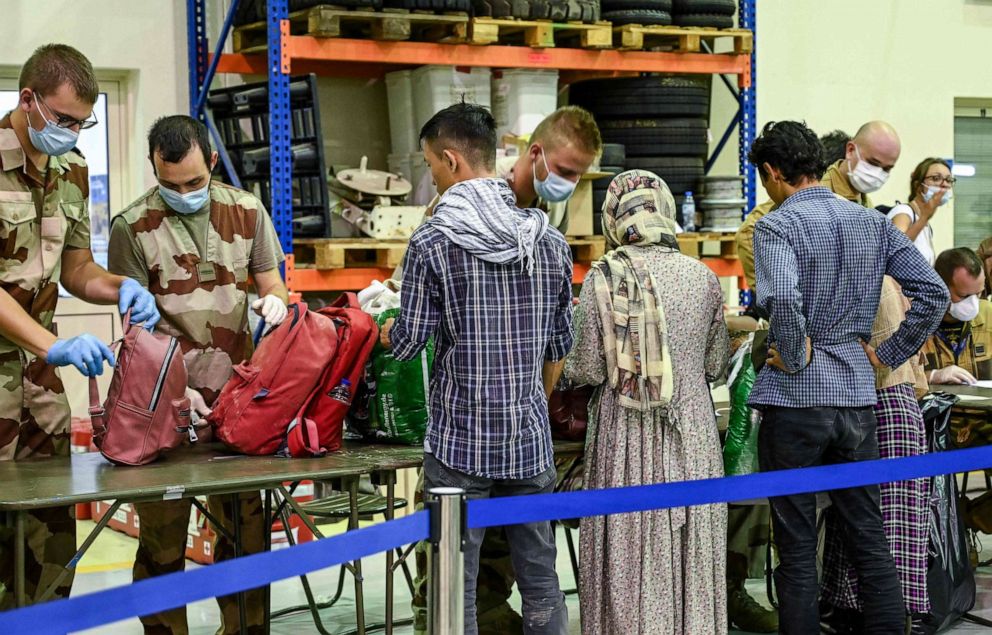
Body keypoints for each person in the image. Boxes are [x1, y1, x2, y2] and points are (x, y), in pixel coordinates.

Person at [401, 105, 600, 635]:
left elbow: (409, 341)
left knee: (455, 580)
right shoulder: (550, 243)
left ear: (449, 161)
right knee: (540, 574)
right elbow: (560, 343)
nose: (433, 179)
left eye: (431, 167)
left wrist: (372, 335)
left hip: (459, 439)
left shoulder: (433, 241)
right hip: (528, 439)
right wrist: (528, 398)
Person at [747, 120, 946, 634]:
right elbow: (935, 295)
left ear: (772, 173)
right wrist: (887, 353)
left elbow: (785, 300)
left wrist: (791, 356)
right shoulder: (871, 223)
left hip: (796, 406)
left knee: (795, 546)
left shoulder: (776, 226)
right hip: (858, 400)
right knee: (869, 536)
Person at [109, 115, 289, 634]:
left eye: (193, 183)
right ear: (153, 169)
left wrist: (274, 305)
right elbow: (132, 332)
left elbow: (272, 283)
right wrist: (173, 386)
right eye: (170, 185)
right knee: (163, 541)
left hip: (239, 403)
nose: (184, 193)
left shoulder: (247, 210)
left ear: (211, 161)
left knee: (246, 533)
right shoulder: (132, 225)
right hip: (164, 408)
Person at [0, 44, 159, 608]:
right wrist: (55, 342)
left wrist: (121, 288)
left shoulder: (71, 168)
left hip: (41, 390)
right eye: (63, 120)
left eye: (82, 122)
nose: (71, 133)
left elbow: (76, 268)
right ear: (28, 100)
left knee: (49, 543)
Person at [564, 170, 730, 633]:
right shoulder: (703, 277)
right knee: (691, 549)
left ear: (614, 216)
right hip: (693, 433)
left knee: (633, 544)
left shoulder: (605, 276)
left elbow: (588, 369)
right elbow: (715, 363)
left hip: (627, 433)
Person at [724, 127, 853, 633]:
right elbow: (783, 308)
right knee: (781, 513)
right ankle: (743, 591)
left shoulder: (852, 215)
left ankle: (836, 605)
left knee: (819, 529)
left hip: (814, 383)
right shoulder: (764, 228)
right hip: (815, 385)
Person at [819, 274, 933, 628]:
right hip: (892, 403)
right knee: (885, 518)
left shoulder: (871, 280)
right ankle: (880, 610)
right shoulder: (889, 281)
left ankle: (875, 612)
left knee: (878, 520)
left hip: (880, 404)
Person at [923, 247, 992, 386]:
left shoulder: (988, 314)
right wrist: (932, 376)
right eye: (963, 296)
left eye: (978, 293)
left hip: (982, 407)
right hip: (934, 407)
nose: (973, 303)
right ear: (939, 288)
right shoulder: (913, 321)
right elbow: (889, 376)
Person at [886, 158, 954, 266]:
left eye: (949, 179)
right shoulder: (903, 212)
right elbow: (895, 252)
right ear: (918, 185)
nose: (944, 184)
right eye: (936, 178)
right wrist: (923, 219)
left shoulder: (925, 223)